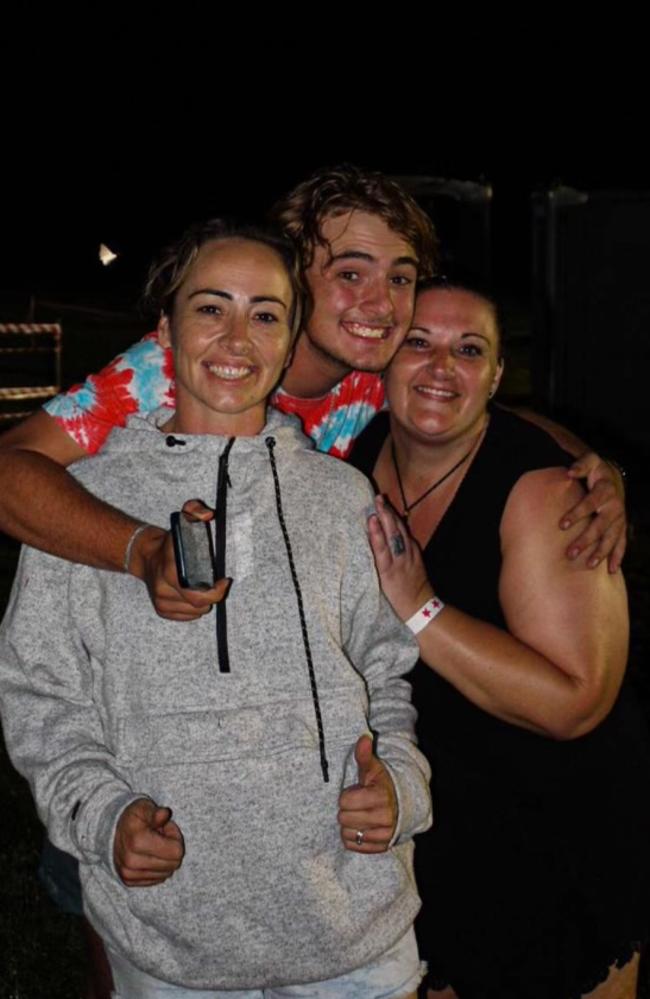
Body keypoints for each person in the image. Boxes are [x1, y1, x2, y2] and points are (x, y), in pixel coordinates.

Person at [0, 221, 432, 997]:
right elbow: (40, 694)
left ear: (293, 334)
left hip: (355, 936)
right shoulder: (83, 498)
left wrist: (400, 781)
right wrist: (103, 816)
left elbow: (386, 667)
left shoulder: (340, 494)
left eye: (265, 314)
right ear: (162, 328)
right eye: (210, 309)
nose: (237, 338)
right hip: (172, 943)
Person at [0, 167, 627, 627]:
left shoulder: (373, 375)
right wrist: (142, 553)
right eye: (350, 274)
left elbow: (486, 418)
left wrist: (594, 469)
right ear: (292, 278)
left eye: (400, 278)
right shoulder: (182, 367)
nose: (382, 306)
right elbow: (10, 469)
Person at [348, 279, 650, 999]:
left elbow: (575, 702)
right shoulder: (360, 452)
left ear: (495, 374)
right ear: (385, 357)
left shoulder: (545, 491)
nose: (440, 366)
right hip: (438, 821)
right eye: (418, 342)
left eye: (469, 349)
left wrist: (423, 609)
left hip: (555, 832)